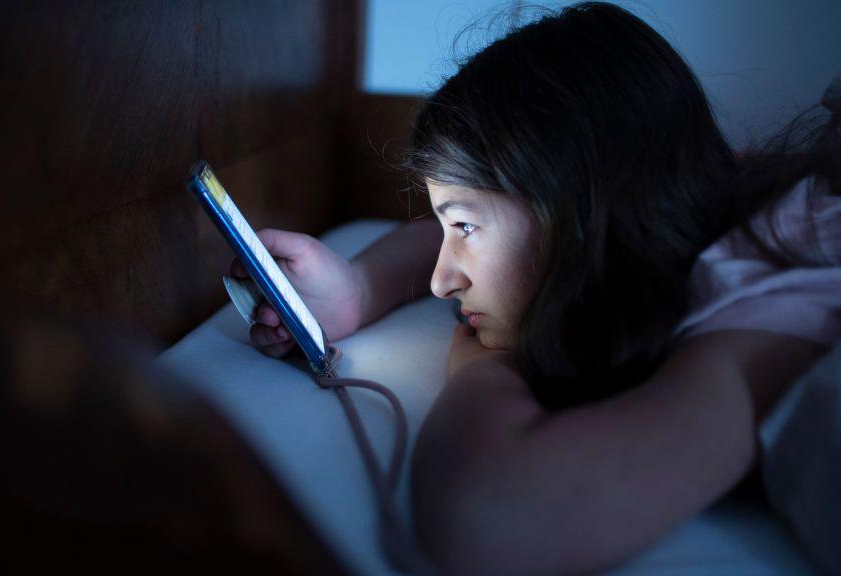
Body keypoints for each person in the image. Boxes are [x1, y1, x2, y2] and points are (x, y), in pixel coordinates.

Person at [230, 2, 840, 574]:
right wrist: (358, 285)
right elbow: (490, 233)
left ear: (581, 211)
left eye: (463, 226)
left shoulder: (766, 296)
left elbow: (486, 521)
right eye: (450, 226)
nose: (442, 281)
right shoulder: (698, 199)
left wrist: (480, 365)